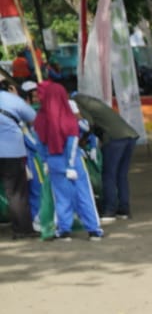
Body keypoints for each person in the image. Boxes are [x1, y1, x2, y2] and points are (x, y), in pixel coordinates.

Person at [34, 80, 103, 240]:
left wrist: (45, 162)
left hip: (53, 162)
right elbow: (73, 143)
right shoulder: (68, 118)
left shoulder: (41, 119)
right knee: (83, 195)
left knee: (61, 197)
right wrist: (70, 165)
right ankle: (93, 229)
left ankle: (64, 230)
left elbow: (40, 145)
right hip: (74, 163)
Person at [71, 91, 140, 220]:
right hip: (129, 135)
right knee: (121, 174)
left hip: (114, 138)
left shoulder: (75, 103)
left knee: (108, 175)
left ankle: (110, 210)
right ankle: (124, 210)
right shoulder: (90, 100)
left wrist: (83, 139)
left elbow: (88, 123)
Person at [0, 77, 37, 239]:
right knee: (15, 193)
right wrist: (15, 97)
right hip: (11, 152)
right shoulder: (11, 99)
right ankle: (22, 230)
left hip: (10, 152)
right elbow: (32, 116)